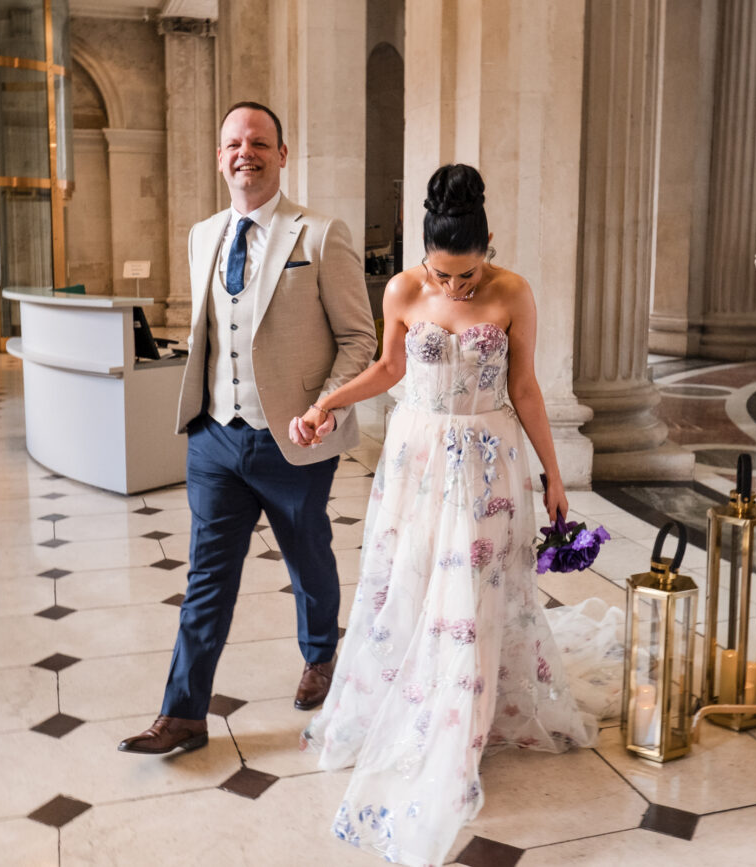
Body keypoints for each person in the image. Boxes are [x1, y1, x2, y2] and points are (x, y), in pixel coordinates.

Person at [293, 164, 597, 866]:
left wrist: (553, 474)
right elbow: (389, 370)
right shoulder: (402, 289)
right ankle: (410, 697)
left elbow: (525, 385)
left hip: (491, 455)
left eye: (468, 275)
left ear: (489, 246)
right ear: (424, 254)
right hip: (419, 457)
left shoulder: (513, 292)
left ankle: (464, 718)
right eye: (443, 274)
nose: (456, 288)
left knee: (474, 588)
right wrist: (327, 402)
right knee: (413, 575)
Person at [118, 101, 376, 754]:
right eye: (234, 143)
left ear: (281, 155)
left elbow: (359, 339)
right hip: (214, 437)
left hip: (295, 439)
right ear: (219, 157)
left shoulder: (320, 235)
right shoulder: (203, 234)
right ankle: (183, 713)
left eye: (259, 143)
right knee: (207, 576)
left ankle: (321, 653)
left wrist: (324, 406)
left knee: (307, 554)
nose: (245, 153)